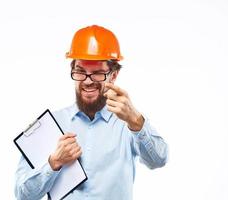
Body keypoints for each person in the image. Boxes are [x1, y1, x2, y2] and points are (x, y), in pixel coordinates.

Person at [14, 25, 168, 200]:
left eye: (97, 73)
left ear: (114, 75)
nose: (87, 81)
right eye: (80, 72)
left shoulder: (128, 124)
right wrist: (53, 163)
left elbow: (159, 160)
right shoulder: (52, 124)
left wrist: (136, 121)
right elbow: (23, 195)